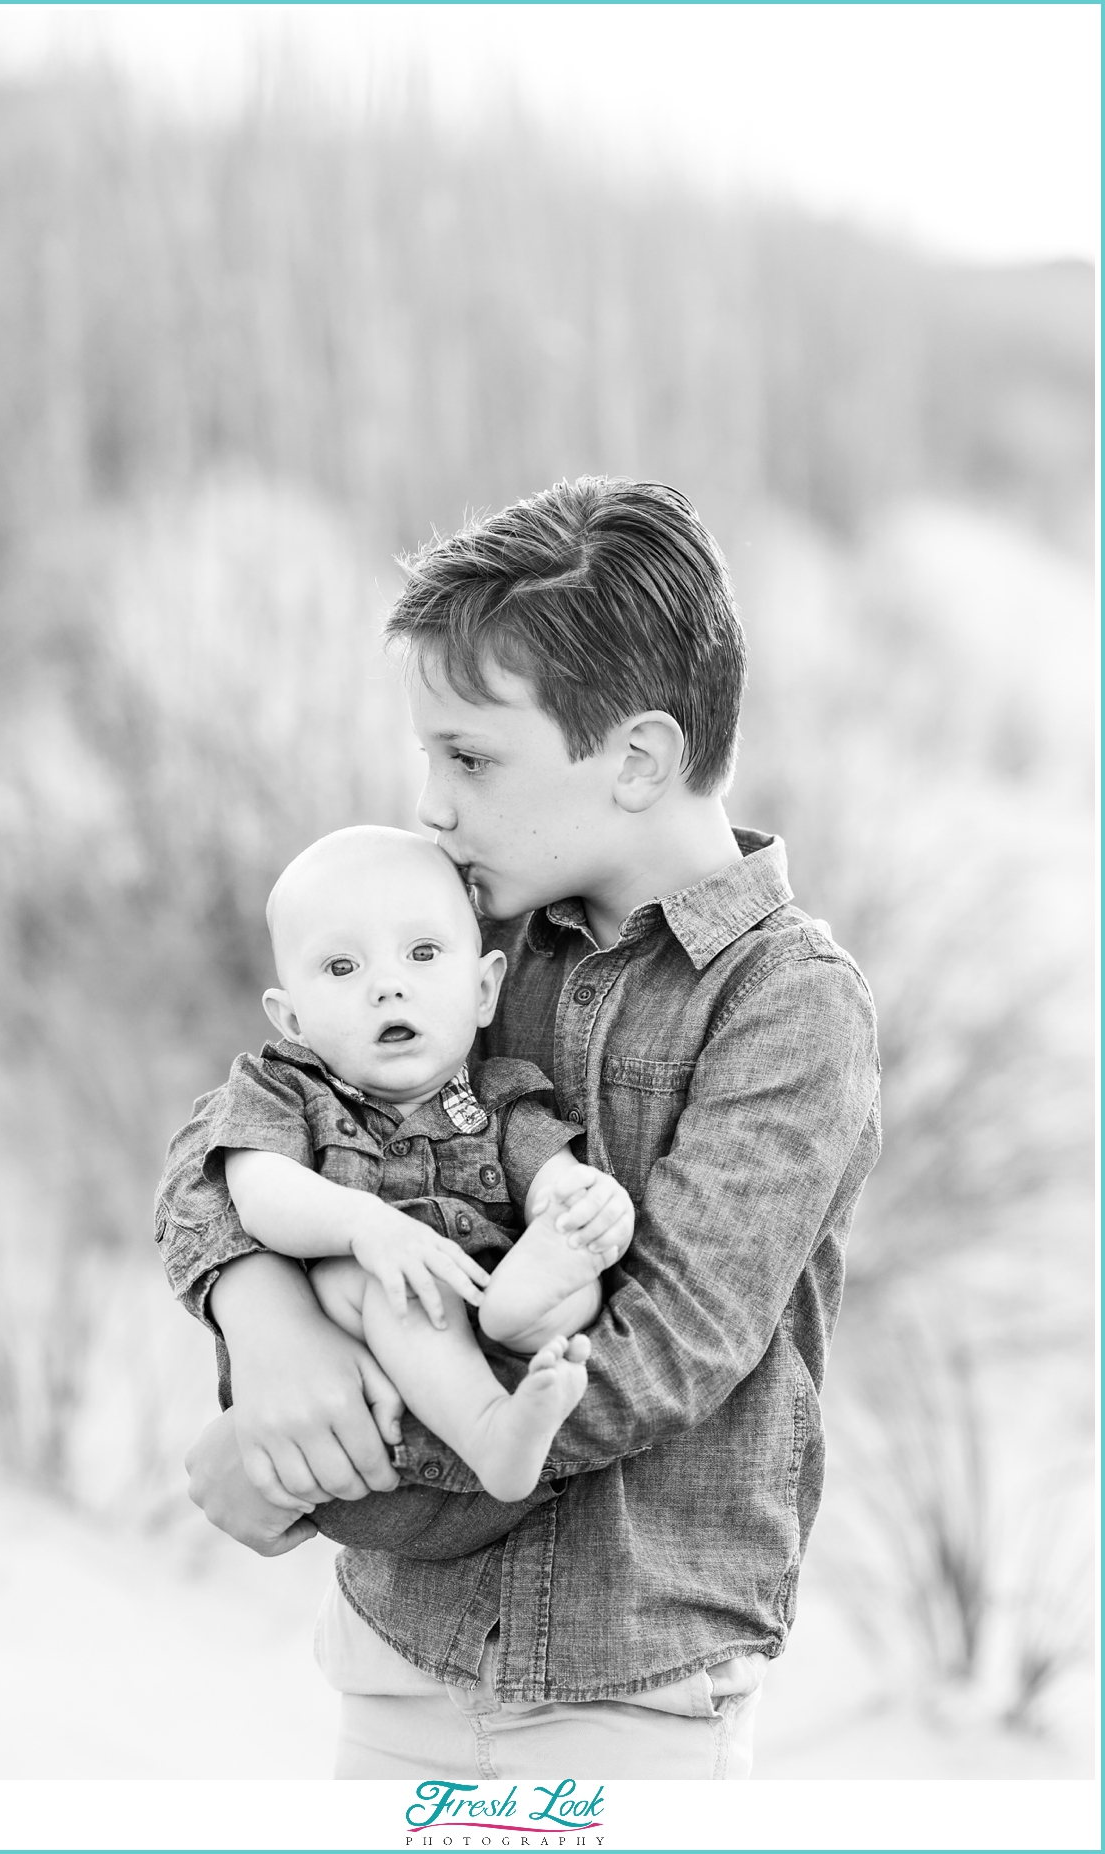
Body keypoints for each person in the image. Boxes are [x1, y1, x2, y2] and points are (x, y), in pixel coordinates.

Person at [162, 476, 881, 1781]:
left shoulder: (789, 1010)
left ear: (641, 758)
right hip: (398, 1659)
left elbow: (662, 1356)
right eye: (427, 754)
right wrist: (262, 1331)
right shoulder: (453, 933)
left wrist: (312, 1458)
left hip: (633, 1690)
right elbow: (232, 1132)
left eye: (472, 757)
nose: (430, 804)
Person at [156, 825, 634, 1507]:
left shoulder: (504, 1094)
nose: (388, 986)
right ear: (291, 1017)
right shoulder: (285, 1090)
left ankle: (520, 1309)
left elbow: (548, 1172)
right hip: (376, 1308)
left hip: (491, 1294)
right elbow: (260, 1192)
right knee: (392, 1282)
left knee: (571, 1276)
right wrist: (363, 1226)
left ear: (483, 990)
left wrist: (579, 1204)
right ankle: (489, 1431)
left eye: (423, 953)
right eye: (342, 968)